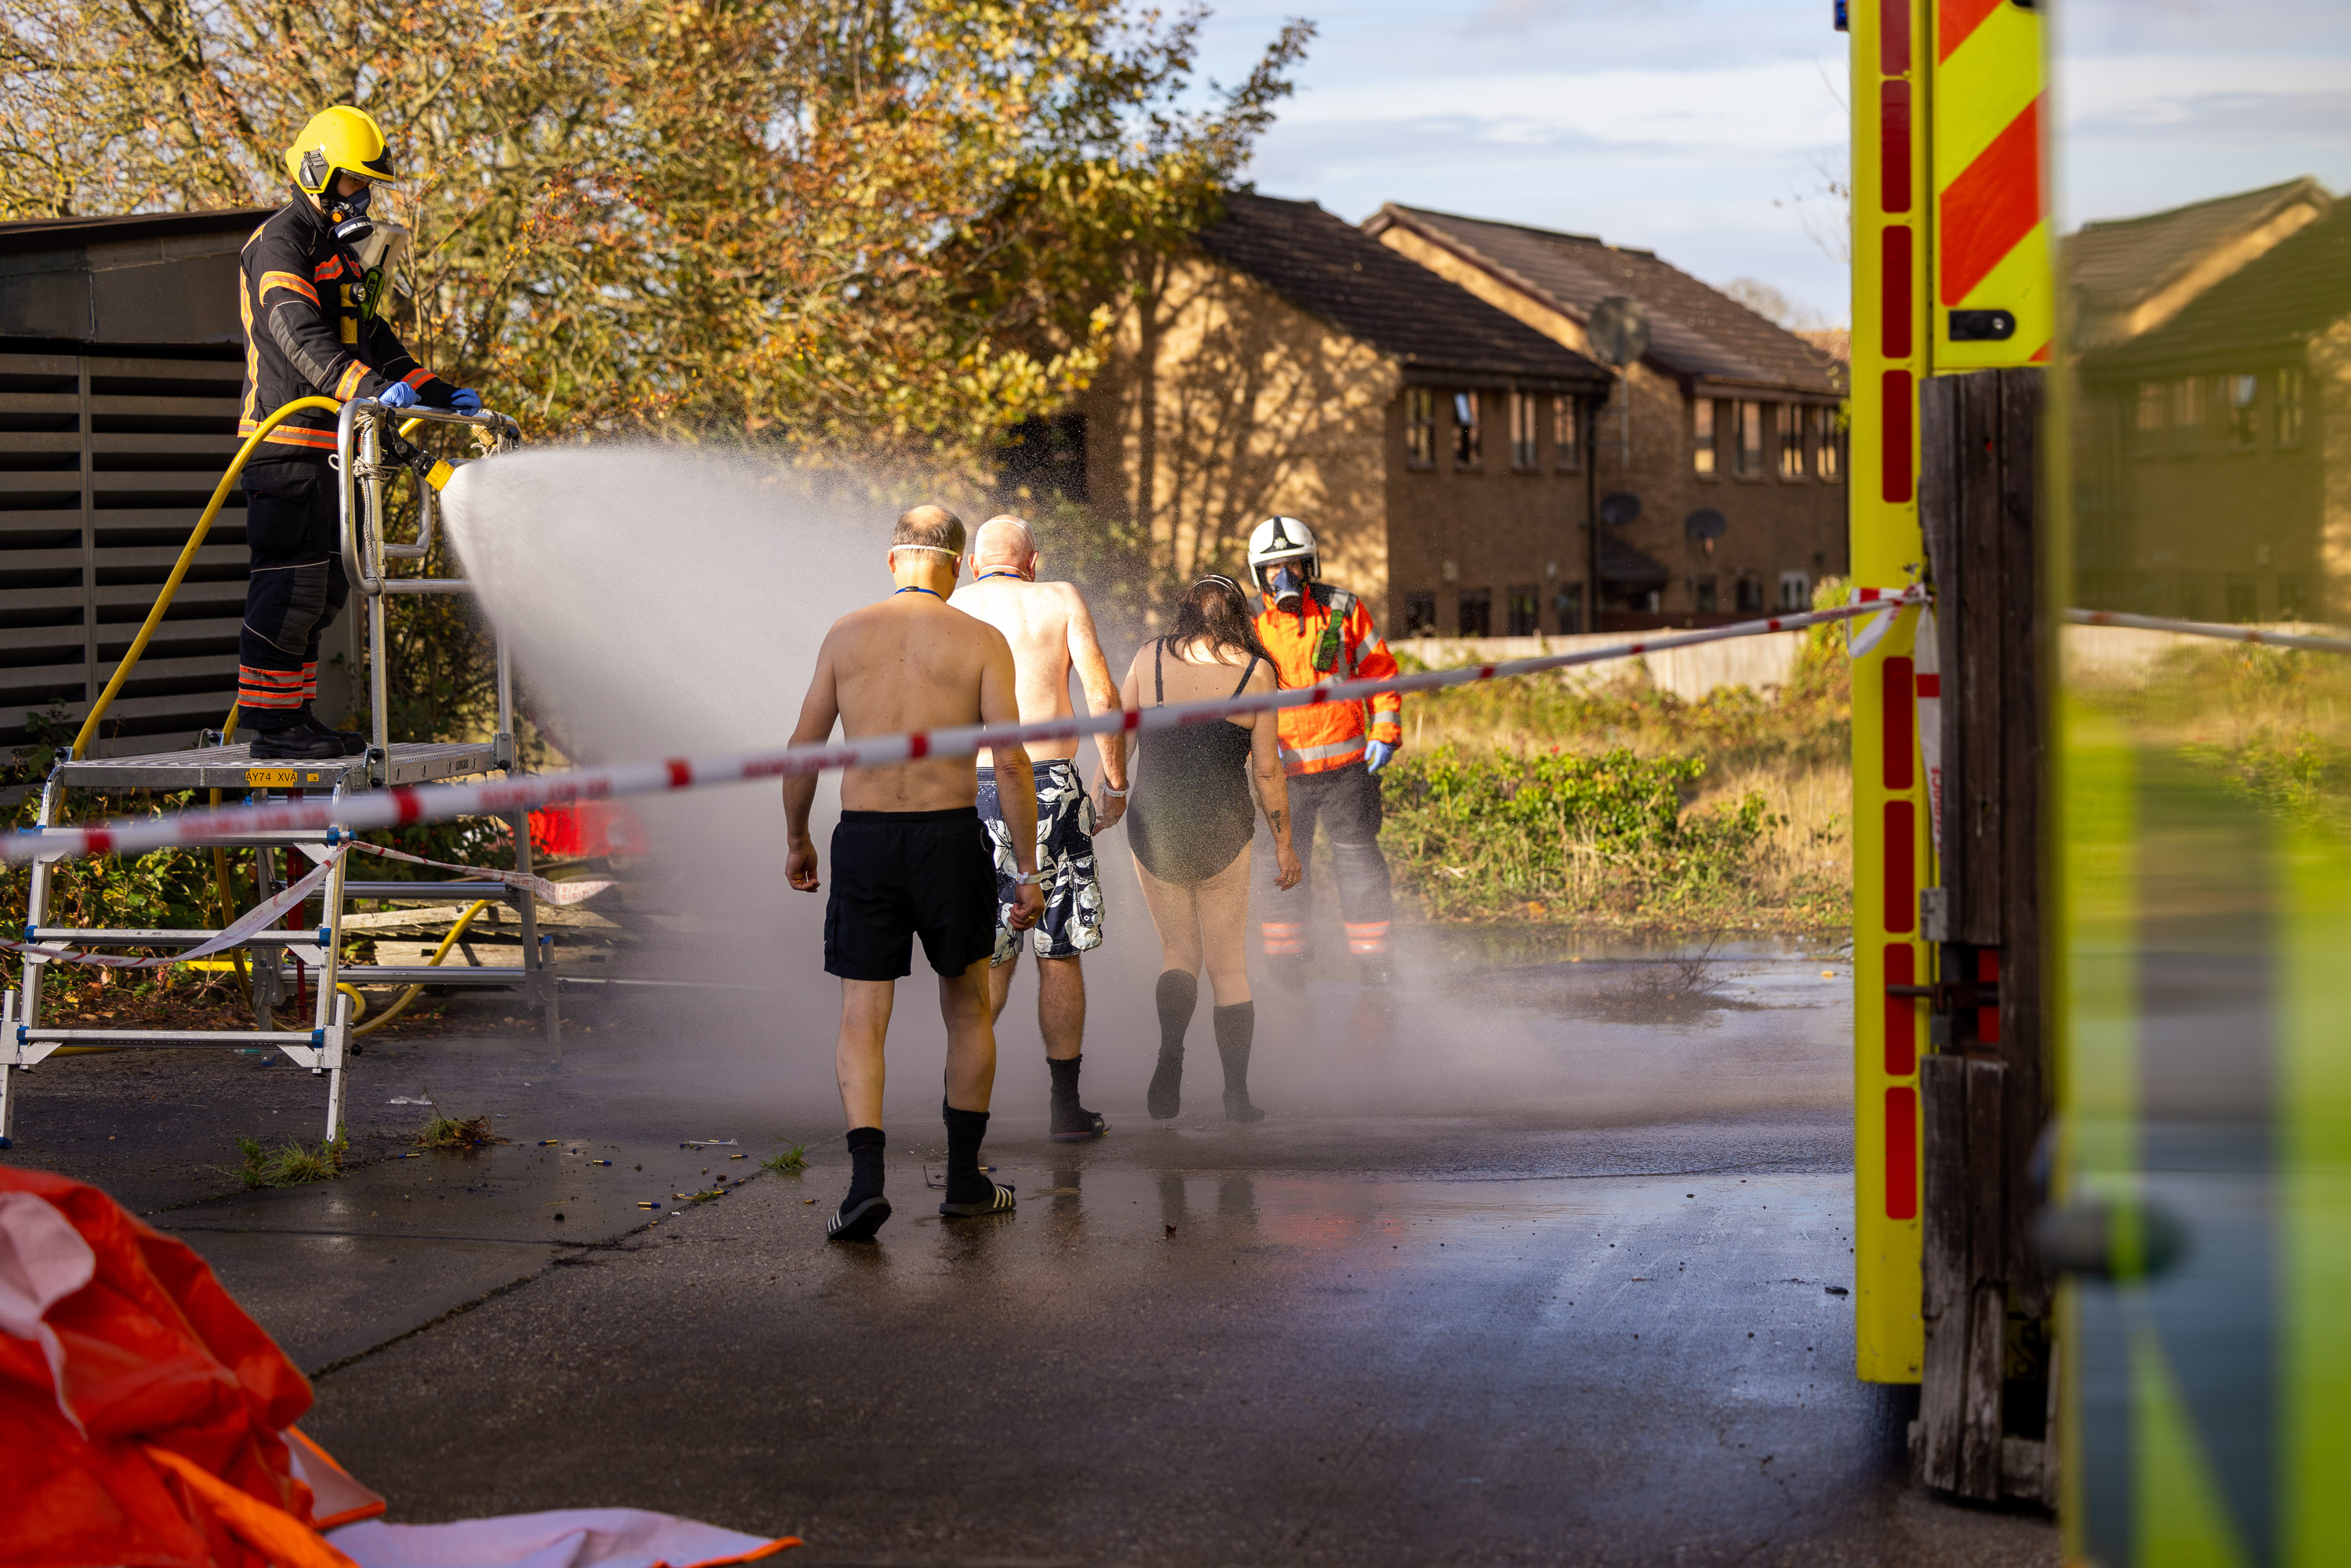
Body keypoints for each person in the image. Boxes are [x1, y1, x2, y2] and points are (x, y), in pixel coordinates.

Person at [783, 505, 1043, 1242]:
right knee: (966, 1006)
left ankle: (865, 1184)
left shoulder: (846, 632)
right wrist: (1028, 870)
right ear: (957, 566)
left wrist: (797, 836)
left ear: (892, 561)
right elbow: (1014, 761)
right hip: (949, 835)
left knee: (863, 1014)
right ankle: (964, 1181)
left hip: (864, 838)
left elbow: (804, 746)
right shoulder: (982, 639)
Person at [235, 105, 480, 759]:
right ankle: (272, 725)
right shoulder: (280, 242)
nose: (363, 196)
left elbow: (375, 341)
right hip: (286, 448)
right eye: (353, 182)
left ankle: (297, 716)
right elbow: (297, 335)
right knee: (289, 583)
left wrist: (432, 390)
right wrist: (368, 391)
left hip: (340, 451)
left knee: (325, 589)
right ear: (317, 173)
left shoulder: (341, 258)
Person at [948, 515, 1130, 1143]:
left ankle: (962, 1110)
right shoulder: (1058, 597)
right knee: (1059, 950)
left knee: (989, 952)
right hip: (1051, 783)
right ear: (1032, 562)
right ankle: (1064, 1108)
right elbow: (1101, 692)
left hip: (971, 789)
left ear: (975, 563)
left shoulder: (954, 603)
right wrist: (1115, 783)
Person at [1121, 576, 1302, 1122]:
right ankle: (1236, 1097)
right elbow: (1267, 771)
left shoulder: (1148, 658)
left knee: (1179, 953)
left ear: (1185, 611)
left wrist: (1108, 798)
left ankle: (1170, 1054)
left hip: (1155, 824)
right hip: (1224, 829)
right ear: (1239, 616)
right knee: (1229, 965)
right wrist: (1286, 843)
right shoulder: (1256, 671)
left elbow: (1119, 740)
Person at [1244, 516, 1405, 985]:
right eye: (1273, 567)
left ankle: (1376, 968)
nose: (1284, 575)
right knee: (1283, 872)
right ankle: (1286, 973)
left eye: (1292, 563)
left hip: (1347, 770)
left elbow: (1382, 674)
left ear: (1309, 563)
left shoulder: (1343, 609)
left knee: (1359, 864)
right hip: (1281, 777)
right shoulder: (1248, 622)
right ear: (1259, 573)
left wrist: (1385, 731)